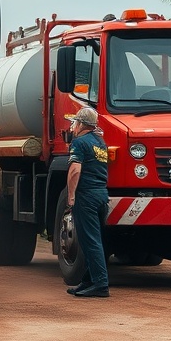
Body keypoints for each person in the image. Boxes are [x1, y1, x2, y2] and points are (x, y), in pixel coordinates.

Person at [64, 105, 110, 298]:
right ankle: (89, 280)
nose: (73, 126)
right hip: (101, 195)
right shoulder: (100, 143)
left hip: (87, 196)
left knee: (90, 241)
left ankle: (100, 284)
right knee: (95, 239)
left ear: (82, 124)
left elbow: (75, 170)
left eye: (75, 122)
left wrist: (71, 196)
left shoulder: (80, 142)